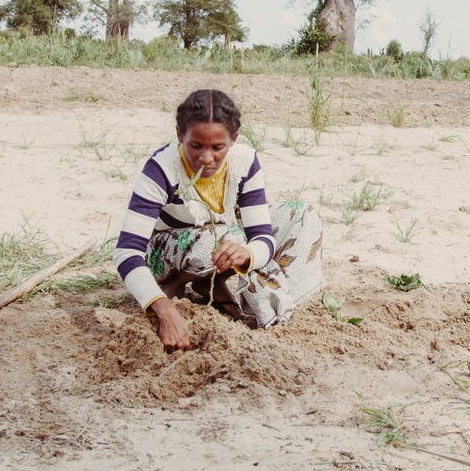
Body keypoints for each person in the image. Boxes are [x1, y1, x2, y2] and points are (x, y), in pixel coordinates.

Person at [113, 89, 323, 351]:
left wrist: (247, 253)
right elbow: (126, 252)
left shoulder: (245, 162)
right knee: (227, 236)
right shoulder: (161, 169)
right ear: (180, 135)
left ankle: (261, 296)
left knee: (302, 216)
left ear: (233, 139)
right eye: (195, 146)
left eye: (218, 147)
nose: (206, 158)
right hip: (167, 250)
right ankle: (175, 283)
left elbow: (262, 236)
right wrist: (164, 310)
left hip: (223, 236)